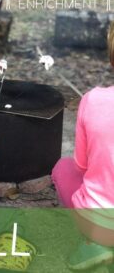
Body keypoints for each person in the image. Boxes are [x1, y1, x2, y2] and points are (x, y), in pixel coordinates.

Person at [52, 24, 114, 270]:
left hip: (101, 226)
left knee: (63, 168)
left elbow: (81, 165)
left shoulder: (93, 99)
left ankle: (94, 245)